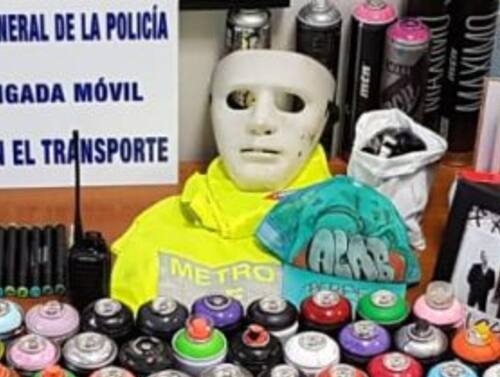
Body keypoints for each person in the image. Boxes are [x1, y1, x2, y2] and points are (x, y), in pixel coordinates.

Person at [111, 51, 335, 309]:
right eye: (239, 101)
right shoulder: (157, 226)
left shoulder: (353, 229)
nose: (260, 122)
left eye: (292, 103)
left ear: (325, 118)